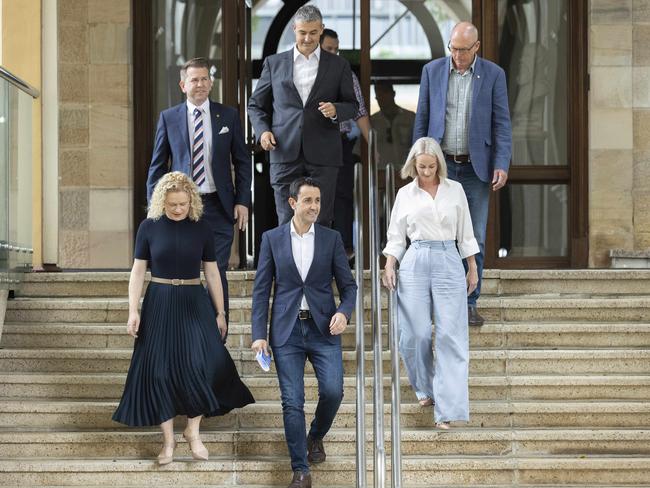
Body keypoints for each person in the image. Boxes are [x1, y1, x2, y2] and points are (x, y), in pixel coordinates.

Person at [113, 172, 254, 464]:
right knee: (159, 371)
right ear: (161, 201)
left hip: (194, 301)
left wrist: (221, 311)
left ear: (192, 200)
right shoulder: (148, 228)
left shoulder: (202, 228)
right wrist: (133, 310)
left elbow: (212, 271)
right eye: (172, 204)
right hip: (160, 301)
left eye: (183, 204)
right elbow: (138, 271)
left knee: (201, 364)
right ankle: (168, 442)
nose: (178, 209)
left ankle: (193, 431)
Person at [251, 177, 357, 488]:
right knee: (292, 401)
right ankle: (300, 470)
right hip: (287, 332)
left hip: (324, 328)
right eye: (308, 201)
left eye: (318, 201)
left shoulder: (331, 239)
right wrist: (259, 333)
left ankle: (315, 436)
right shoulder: (272, 239)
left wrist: (343, 312)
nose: (314, 207)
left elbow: (348, 288)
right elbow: (261, 292)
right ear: (293, 203)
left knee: (334, 391)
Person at [413, 21, 512, 326]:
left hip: (475, 168)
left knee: (473, 237)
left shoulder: (494, 75)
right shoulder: (432, 71)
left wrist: (501, 163)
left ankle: (469, 302)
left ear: (476, 47)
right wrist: (418, 160)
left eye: (463, 50)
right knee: (436, 235)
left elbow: (501, 124)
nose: (457, 55)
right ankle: (440, 303)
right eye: (453, 48)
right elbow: (423, 118)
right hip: (440, 168)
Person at [382, 137, 478, 430]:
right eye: (420, 166)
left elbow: (466, 232)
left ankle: (447, 411)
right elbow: (397, 236)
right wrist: (389, 264)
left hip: (449, 257)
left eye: (431, 166)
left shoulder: (455, 190)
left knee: (451, 335)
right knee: (415, 334)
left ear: (439, 165)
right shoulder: (405, 194)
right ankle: (424, 388)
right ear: (413, 165)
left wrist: (472, 267)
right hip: (415, 259)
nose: (425, 171)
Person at [147, 57, 252, 325]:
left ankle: (217, 334)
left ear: (211, 82)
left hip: (219, 205)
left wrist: (243, 200)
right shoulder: (168, 118)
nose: (201, 84)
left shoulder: (227, 115)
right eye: (194, 79)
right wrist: (155, 209)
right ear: (183, 84)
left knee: (217, 269)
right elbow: (158, 166)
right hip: (182, 208)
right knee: (186, 269)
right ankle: (188, 331)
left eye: (205, 78)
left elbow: (242, 161)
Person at [248, 5, 358, 227]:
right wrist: (263, 131)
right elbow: (255, 105)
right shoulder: (274, 63)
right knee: (286, 219)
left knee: (321, 219)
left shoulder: (339, 65)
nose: (307, 38)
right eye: (302, 32)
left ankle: (318, 263)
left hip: (324, 154)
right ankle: (288, 263)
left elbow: (353, 106)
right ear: (293, 29)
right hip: (284, 150)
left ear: (321, 30)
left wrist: (337, 110)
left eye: (313, 33)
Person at [320, 28, 370, 258]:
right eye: (328, 49)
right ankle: (318, 248)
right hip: (312, 142)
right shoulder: (304, 71)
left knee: (342, 195)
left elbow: (359, 110)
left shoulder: (345, 73)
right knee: (314, 194)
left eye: (335, 49)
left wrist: (372, 143)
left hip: (340, 142)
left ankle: (343, 249)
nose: (333, 53)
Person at [371, 81, 415, 169]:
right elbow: (359, 151)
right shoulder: (372, 121)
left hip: (407, 172)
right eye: (378, 96)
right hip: (380, 173)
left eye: (384, 93)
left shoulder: (411, 118)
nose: (381, 98)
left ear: (393, 94)